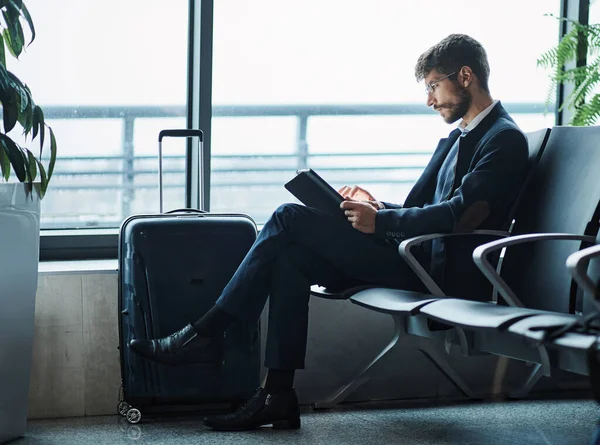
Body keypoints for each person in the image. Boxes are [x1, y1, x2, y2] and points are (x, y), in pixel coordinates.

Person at [129, 33, 529, 431]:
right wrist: (376, 208)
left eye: (432, 85)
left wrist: (383, 222)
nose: (429, 99)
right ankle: (277, 396)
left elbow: (464, 217)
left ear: (464, 76)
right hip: (413, 256)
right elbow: (420, 208)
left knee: (289, 217)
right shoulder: (459, 138)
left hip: (435, 273)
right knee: (291, 259)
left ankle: (208, 333)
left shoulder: (503, 139)